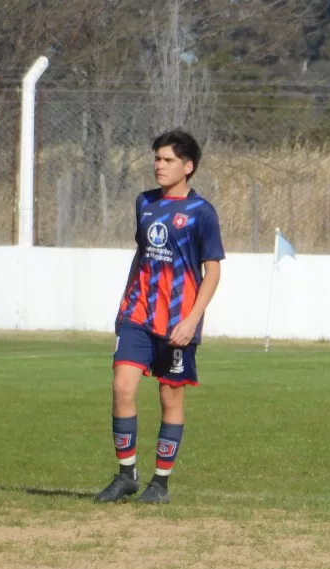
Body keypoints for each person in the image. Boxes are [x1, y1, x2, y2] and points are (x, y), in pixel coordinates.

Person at [96, 129, 224, 505]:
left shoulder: (202, 213)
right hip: (137, 313)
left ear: (188, 166)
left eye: (168, 160)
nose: (159, 165)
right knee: (122, 387)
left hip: (178, 321)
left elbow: (213, 272)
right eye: (157, 158)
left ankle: (160, 484)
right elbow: (141, 256)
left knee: (170, 397)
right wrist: (123, 304)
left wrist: (192, 320)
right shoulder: (145, 202)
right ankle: (127, 475)